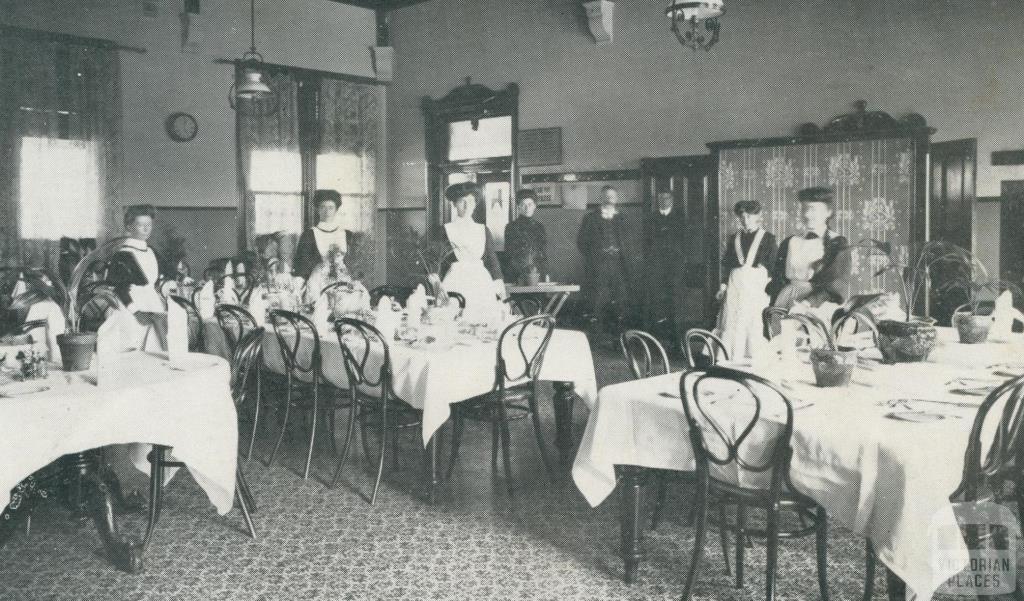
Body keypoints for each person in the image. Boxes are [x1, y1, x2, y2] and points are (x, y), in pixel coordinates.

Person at [768, 187, 852, 313]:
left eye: (813, 209)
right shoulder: (789, 242)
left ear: (828, 212)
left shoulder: (837, 243)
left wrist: (806, 304)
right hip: (785, 301)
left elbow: (835, 283)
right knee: (781, 331)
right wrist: (774, 308)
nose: (807, 214)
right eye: (804, 209)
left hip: (819, 305)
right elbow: (777, 281)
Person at [715, 200, 778, 359]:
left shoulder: (768, 238)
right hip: (735, 283)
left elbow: (773, 267)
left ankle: (753, 356)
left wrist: (768, 290)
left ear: (758, 216)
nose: (746, 220)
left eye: (749, 216)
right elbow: (727, 264)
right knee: (732, 319)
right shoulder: (733, 238)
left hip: (756, 285)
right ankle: (731, 355)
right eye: (742, 217)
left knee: (753, 319)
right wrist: (723, 287)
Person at [441, 182, 506, 319]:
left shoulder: (482, 230)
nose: (466, 206)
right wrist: (436, 283)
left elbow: (492, 260)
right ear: (453, 204)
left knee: (483, 319)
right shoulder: (445, 230)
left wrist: (499, 285)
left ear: (475, 204)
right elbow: (436, 262)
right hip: (455, 282)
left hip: (481, 283)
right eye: (461, 202)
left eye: (470, 202)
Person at [576, 185, 629, 340]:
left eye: (612, 196)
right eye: (606, 196)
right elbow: (581, 243)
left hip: (619, 266)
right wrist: (597, 255)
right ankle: (596, 339)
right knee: (596, 301)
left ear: (616, 199)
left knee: (619, 302)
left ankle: (618, 340)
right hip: (598, 266)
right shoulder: (590, 218)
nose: (609, 199)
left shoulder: (622, 218)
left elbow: (628, 242)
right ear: (600, 199)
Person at [108, 204, 166, 314]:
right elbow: (119, 288)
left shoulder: (151, 251)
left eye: (149, 225)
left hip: (152, 302)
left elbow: (165, 272)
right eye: (140, 225)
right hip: (130, 306)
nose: (146, 229)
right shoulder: (123, 254)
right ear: (130, 227)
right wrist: (134, 310)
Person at [645, 191, 685, 346]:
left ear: (672, 200)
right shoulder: (651, 218)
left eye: (667, 198)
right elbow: (647, 242)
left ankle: (676, 340)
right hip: (656, 266)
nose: (663, 200)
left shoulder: (680, 218)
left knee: (675, 301)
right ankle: (656, 339)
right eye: (660, 198)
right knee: (656, 300)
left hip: (675, 266)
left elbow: (684, 241)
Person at [293, 189, 352, 281]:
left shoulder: (346, 234)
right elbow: (302, 266)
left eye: (330, 208)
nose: (327, 211)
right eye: (323, 207)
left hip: (343, 278)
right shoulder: (309, 235)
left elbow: (353, 264)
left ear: (336, 210)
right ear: (317, 210)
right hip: (318, 280)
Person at [503, 189, 548, 284]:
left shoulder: (539, 227)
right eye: (523, 205)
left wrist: (542, 272)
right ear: (518, 206)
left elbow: (542, 253)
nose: (527, 208)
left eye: (530, 204)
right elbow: (510, 253)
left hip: (537, 273)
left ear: (535, 206)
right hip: (517, 274)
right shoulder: (511, 227)